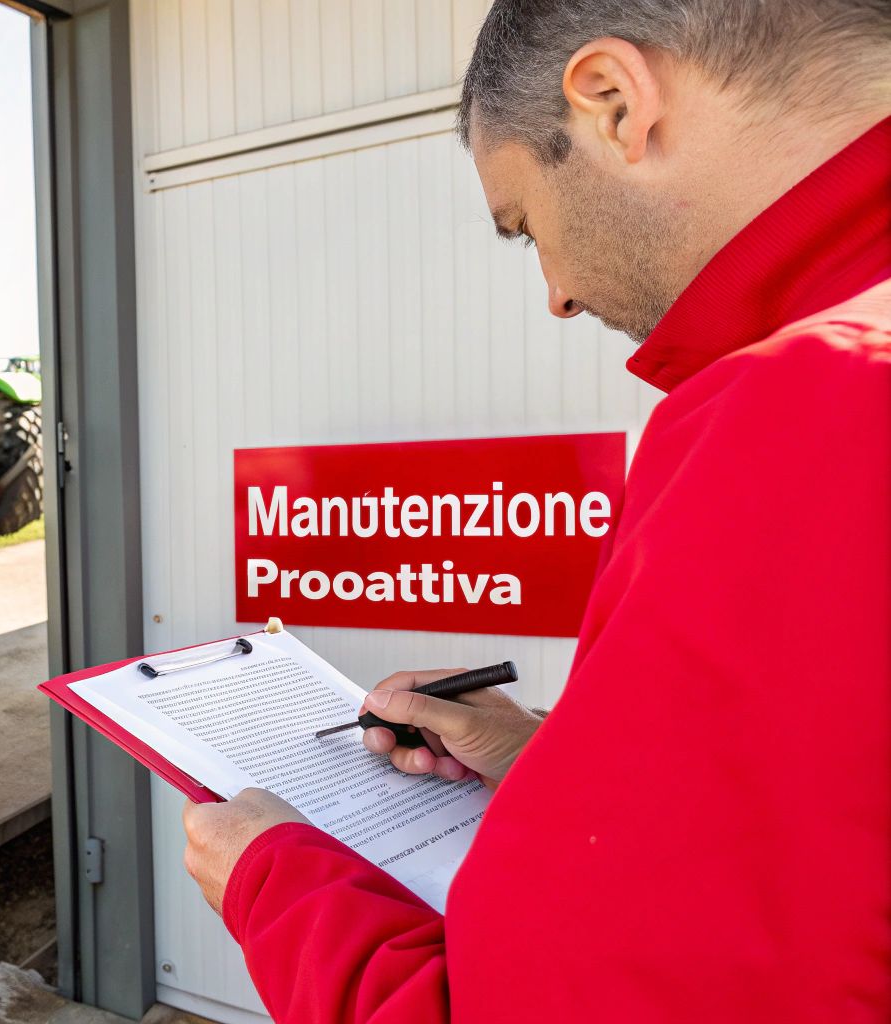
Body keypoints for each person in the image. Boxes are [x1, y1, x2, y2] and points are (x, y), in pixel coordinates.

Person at [180, 2, 891, 1021]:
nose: (556, 295)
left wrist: (275, 888)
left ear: (611, 102)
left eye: (522, 226)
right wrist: (550, 763)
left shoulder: (803, 411)